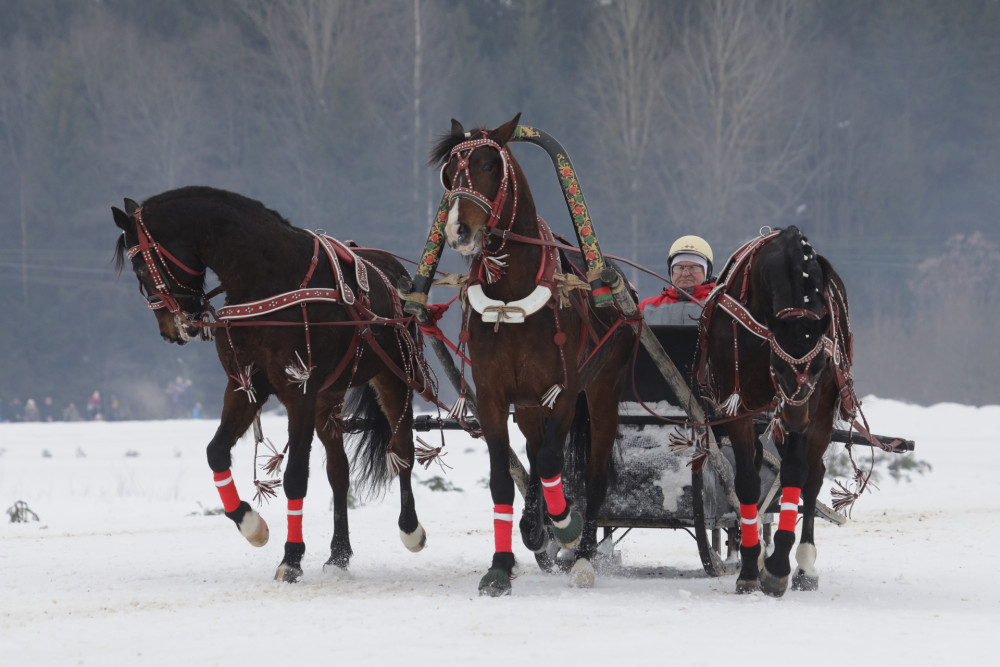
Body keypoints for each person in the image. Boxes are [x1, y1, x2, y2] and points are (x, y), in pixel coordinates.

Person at [639, 235, 716, 309]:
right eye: (679, 268)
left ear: (707, 273)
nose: (685, 274)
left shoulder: (719, 306)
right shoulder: (646, 308)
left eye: (694, 267)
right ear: (671, 272)